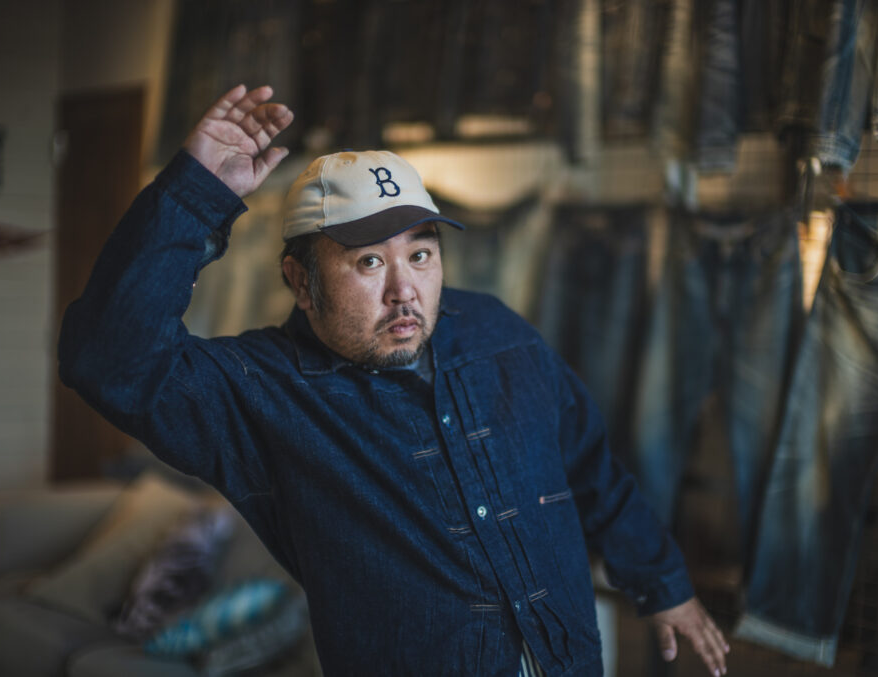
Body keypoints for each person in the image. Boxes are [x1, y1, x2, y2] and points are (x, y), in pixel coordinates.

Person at [58, 84, 730, 676]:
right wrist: (194, 194)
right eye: (369, 263)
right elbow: (108, 360)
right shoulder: (259, 392)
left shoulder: (495, 331)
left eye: (421, 253)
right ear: (301, 282)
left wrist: (663, 581)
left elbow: (590, 466)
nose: (405, 291)